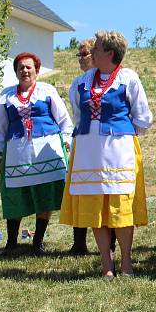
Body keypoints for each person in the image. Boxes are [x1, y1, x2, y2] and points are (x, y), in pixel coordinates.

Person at [60, 30, 153, 279]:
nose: (92, 52)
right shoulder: (80, 82)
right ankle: (106, 264)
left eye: (97, 48)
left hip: (118, 150)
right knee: (95, 206)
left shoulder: (127, 78)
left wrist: (122, 133)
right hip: (89, 150)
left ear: (109, 53)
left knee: (120, 205)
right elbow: (78, 115)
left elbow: (143, 117)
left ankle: (126, 261)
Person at [0, 52, 73, 257]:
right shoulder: (7, 95)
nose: (25, 70)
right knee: (15, 194)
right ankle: (11, 243)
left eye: (29, 67)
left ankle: (37, 242)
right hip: (17, 154)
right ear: (16, 72)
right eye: (21, 67)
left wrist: (66, 140)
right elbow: (0, 127)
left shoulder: (47, 91)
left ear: (37, 70)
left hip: (46, 153)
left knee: (44, 194)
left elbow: (64, 120)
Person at [67, 37, 103, 256]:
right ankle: (79, 242)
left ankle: (109, 241)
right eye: (78, 55)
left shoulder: (115, 79)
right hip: (84, 140)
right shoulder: (78, 83)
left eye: (84, 54)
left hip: (106, 143)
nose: (81, 59)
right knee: (80, 189)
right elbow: (77, 114)